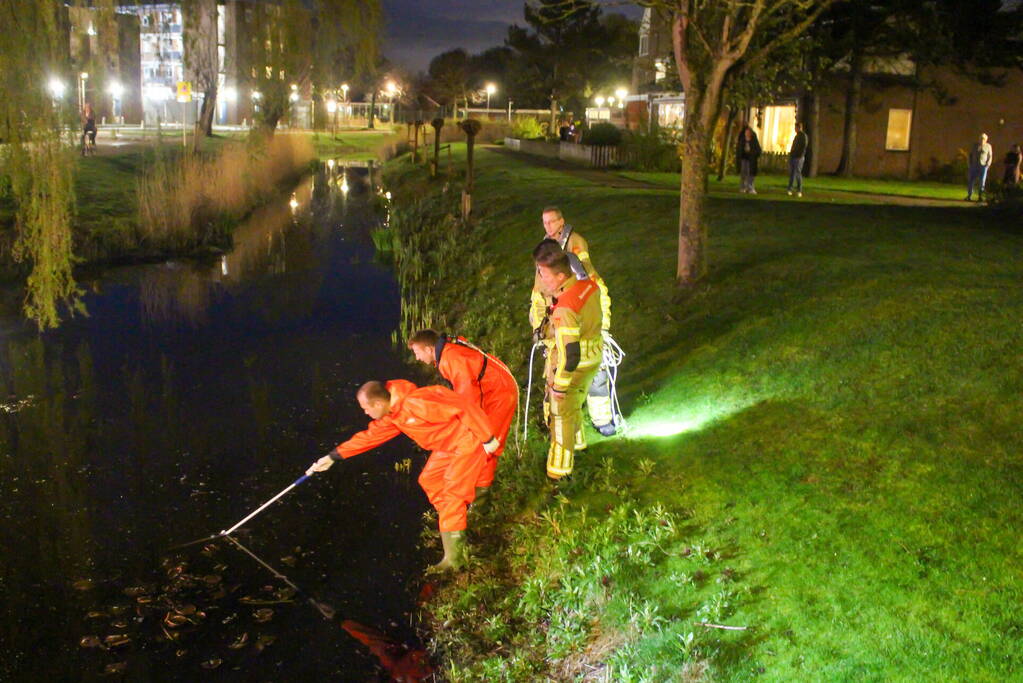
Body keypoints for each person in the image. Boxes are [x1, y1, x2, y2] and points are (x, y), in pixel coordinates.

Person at [306, 380, 501, 571]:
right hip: (449, 444)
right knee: (430, 479)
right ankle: (456, 522)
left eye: (366, 408)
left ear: (378, 403)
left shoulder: (416, 402)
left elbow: (463, 406)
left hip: (468, 440)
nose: (365, 413)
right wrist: (333, 457)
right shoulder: (394, 414)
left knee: (452, 494)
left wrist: (487, 437)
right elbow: (369, 437)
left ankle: (455, 559)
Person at [529, 206, 616, 436]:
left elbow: (597, 293)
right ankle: (558, 428)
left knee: (596, 378)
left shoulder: (578, 257)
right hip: (559, 336)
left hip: (586, 337)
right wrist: (541, 333)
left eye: (551, 222)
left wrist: (603, 328)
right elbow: (538, 300)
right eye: (544, 222)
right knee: (556, 383)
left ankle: (602, 420)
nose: (547, 226)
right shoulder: (544, 261)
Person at [407, 330, 518, 494]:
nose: (417, 358)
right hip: (493, 388)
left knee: (487, 439)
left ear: (429, 349)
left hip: (498, 393)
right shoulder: (448, 350)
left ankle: (481, 490)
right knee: (484, 440)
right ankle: (481, 487)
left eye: (417, 352)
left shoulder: (451, 359)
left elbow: (467, 399)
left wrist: (464, 423)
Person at [533, 240, 603, 480]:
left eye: (545, 275)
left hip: (575, 366)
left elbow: (570, 354)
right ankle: (579, 444)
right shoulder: (588, 286)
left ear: (561, 276)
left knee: (561, 413)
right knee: (576, 404)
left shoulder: (565, 309)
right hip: (593, 357)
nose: (542, 281)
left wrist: (559, 386)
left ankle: (559, 472)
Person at [966, 133, 993, 201]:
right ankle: (969, 195)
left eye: (983, 139)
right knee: (971, 180)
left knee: (982, 181)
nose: (982, 140)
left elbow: (990, 156)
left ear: (986, 140)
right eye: (981, 138)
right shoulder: (974, 145)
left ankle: (980, 196)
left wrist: (988, 164)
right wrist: (969, 164)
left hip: (983, 166)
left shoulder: (988, 146)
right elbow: (970, 155)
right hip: (974, 165)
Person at [736, 125, 761, 194]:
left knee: (751, 174)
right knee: (743, 173)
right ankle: (743, 187)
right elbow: (739, 149)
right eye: (746, 132)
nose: (747, 133)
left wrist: (752, 152)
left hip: (751, 160)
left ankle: (750, 187)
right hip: (744, 159)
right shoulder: (742, 140)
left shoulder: (754, 141)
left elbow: (758, 150)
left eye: (749, 132)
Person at [787, 122, 808, 197]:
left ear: (799, 127)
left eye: (796, 128)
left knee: (797, 173)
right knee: (792, 173)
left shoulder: (803, 136)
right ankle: (790, 189)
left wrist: (799, 155)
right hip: (794, 156)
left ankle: (799, 190)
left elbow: (803, 147)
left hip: (798, 157)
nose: (795, 129)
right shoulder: (797, 136)